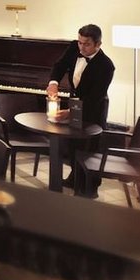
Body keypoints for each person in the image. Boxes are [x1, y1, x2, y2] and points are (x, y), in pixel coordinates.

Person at [46, 23, 115, 196]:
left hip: (93, 109)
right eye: (80, 42)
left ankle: (90, 188)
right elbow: (59, 66)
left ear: (98, 44)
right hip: (75, 102)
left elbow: (95, 97)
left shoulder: (106, 66)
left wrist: (70, 112)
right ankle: (74, 178)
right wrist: (53, 83)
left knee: (89, 149)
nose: (81, 47)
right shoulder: (73, 47)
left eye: (87, 44)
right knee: (73, 145)